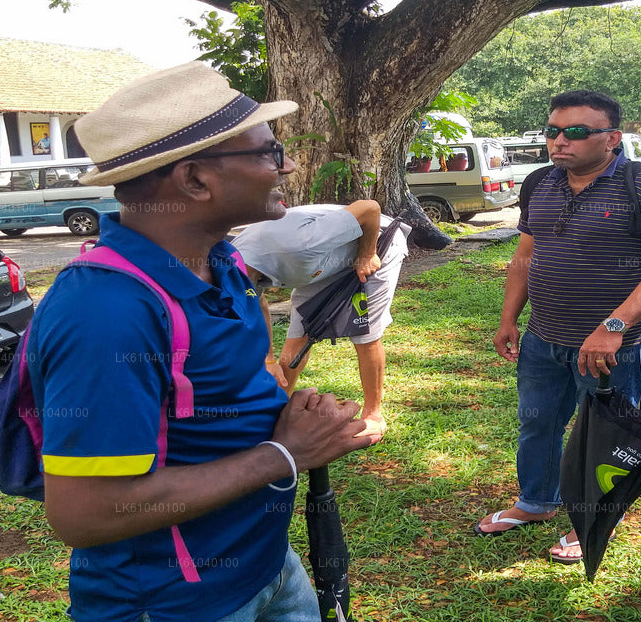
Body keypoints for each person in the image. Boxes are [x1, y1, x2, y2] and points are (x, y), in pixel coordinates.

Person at [25, 62, 373, 622]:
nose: (287, 165)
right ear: (194, 180)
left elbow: (230, 391)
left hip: (268, 567)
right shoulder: (108, 310)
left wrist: (294, 415)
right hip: (175, 602)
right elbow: (83, 513)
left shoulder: (224, 260)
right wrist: (285, 454)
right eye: (269, 151)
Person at [474, 90, 641, 564]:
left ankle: (593, 518)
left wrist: (613, 326)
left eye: (575, 132)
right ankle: (536, 501)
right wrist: (509, 318)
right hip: (543, 338)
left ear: (611, 138)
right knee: (538, 422)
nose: (559, 141)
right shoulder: (540, 183)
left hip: (616, 346)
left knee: (605, 434)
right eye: (552, 131)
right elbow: (525, 256)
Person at [233, 200, 409, 438]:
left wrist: (367, 254)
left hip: (378, 241)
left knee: (364, 333)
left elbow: (370, 208)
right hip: (323, 261)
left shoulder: (302, 244)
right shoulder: (234, 268)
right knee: (298, 333)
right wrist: (268, 359)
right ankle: (276, 411)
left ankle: (373, 416)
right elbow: (258, 302)